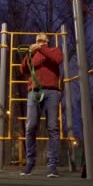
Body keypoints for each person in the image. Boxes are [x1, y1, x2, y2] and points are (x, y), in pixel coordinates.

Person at [19, 33, 63, 178]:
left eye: (42, 41)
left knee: (53, 128)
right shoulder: (33, 54)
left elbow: (58, 59)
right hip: (34, 92)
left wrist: (40, 49)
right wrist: (29, 53)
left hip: (52, 92)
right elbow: (23, 69)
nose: (40, 43)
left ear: (47, 41)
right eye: (38, 41)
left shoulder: (54, 50)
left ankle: (52, 166)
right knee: (30, 127)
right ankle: (30, 162)